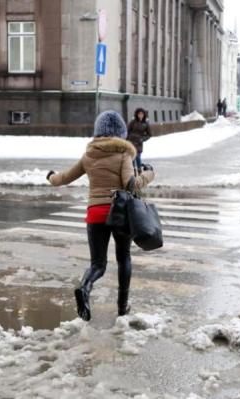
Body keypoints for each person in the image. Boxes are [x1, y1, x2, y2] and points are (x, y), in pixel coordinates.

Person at [47, 111, 155, 321]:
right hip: (119, 214)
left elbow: (65, 178)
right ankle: (122, 307)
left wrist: (51, 177)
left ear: (98, 132)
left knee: (98, 264)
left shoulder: (89, 156)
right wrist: (149, 174)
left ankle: (85, 287)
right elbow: (131, 185)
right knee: (124, 258)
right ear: (120, 133)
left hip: (95, 214)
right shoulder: (124, 155)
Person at [127, 108, 152, 172]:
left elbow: (149, 134)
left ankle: (139, 170)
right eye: (139, 114)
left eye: (142, 114)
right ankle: (133, 171)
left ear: (144, 115)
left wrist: (143, 139)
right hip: (131, 142)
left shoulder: (146, 123)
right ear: (137, 114)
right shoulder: (133, 122)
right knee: (132, 157)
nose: (140, 115)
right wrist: (128, 138)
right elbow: (127, 131)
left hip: (139, 143)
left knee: (137, 156)